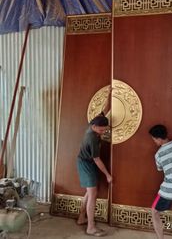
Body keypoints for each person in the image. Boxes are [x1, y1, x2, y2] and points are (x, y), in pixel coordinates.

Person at [76, 90, 112, 237]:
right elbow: (97, 160)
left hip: (87, 162)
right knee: (93, 194)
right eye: (102, 130)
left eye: (105, 130)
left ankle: (81, 218)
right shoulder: (92, 138)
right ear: (95, 127)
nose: (103, 132)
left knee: (89, 192)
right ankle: (90, 227)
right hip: (86, 163)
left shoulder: (96, 121)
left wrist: (110, 93)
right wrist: (108, 175)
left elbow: (106, 108)